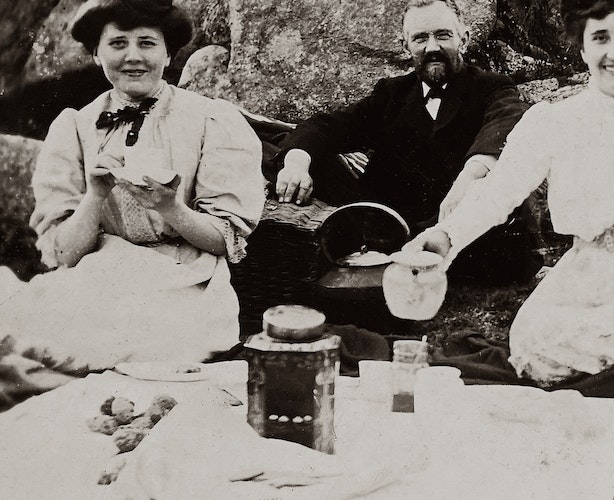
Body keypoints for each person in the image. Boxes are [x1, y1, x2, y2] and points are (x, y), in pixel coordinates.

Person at [404, 0, 614, 402]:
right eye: (599, 38)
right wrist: (446, 236)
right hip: (584, 272)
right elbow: (499, 192)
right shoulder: (554, 121)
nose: (613, 53)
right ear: (582, 49)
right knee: (536, 344)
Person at [0, 0, 265, 375]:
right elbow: (64, 254)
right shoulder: (75, 128)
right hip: (99, 276)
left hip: (185, 280)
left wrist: (171, 208)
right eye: (118, 43)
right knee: (23, 331)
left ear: (169, 53)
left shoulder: (211, 120)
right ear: (95, 53)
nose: (133, 57)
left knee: (126, 350)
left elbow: (226, 238)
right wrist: (95, 196)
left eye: (146, 43)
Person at [272, 0, 540, 284]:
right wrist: (296, 163)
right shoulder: (391, 94)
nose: (432, 47)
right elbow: (327, 125)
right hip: (392, 224)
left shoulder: (492, 86)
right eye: (421, 38)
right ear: (405, 46)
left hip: (460, 228)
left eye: (443, 35)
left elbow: (505, 123)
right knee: (301, 153)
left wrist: (470, 177)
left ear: (465, 38)